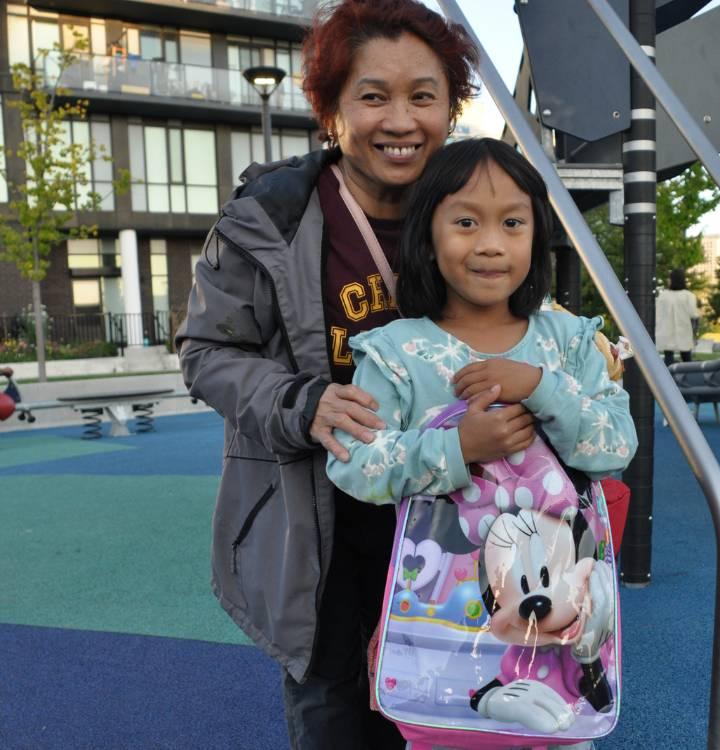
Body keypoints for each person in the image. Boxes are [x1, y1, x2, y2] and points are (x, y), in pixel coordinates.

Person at [175, 2, 480, 748]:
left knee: (464, 713)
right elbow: (205, 353)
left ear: (450, 106)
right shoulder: (270, 218)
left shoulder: (480, 208)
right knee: (337, 717)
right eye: (372, 96)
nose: (400, 120)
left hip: (460, 518)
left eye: (423, 95)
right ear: (331, 110)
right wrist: (300, 401)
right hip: (326, 525)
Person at [325, 138, 637, 750]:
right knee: (445, 734)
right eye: (466, 221)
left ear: (535, 234)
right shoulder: (395, 352)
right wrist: (456, 446)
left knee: (561, 732)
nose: (491, 242)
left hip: (559, 623)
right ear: (427, 234)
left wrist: (544, 388)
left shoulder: (568, 342)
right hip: (441, 619)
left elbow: (613, 447)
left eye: (512, 223)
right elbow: (355, 464)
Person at [655, 268, 700, 367]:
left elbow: (657, 313)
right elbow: (694, 314)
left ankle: (667, 380)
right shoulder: (689, 296)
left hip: (666, 331)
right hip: (683, 330)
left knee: (668, 356)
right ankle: (688, 379)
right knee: (686, 357)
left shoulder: (663, 296)